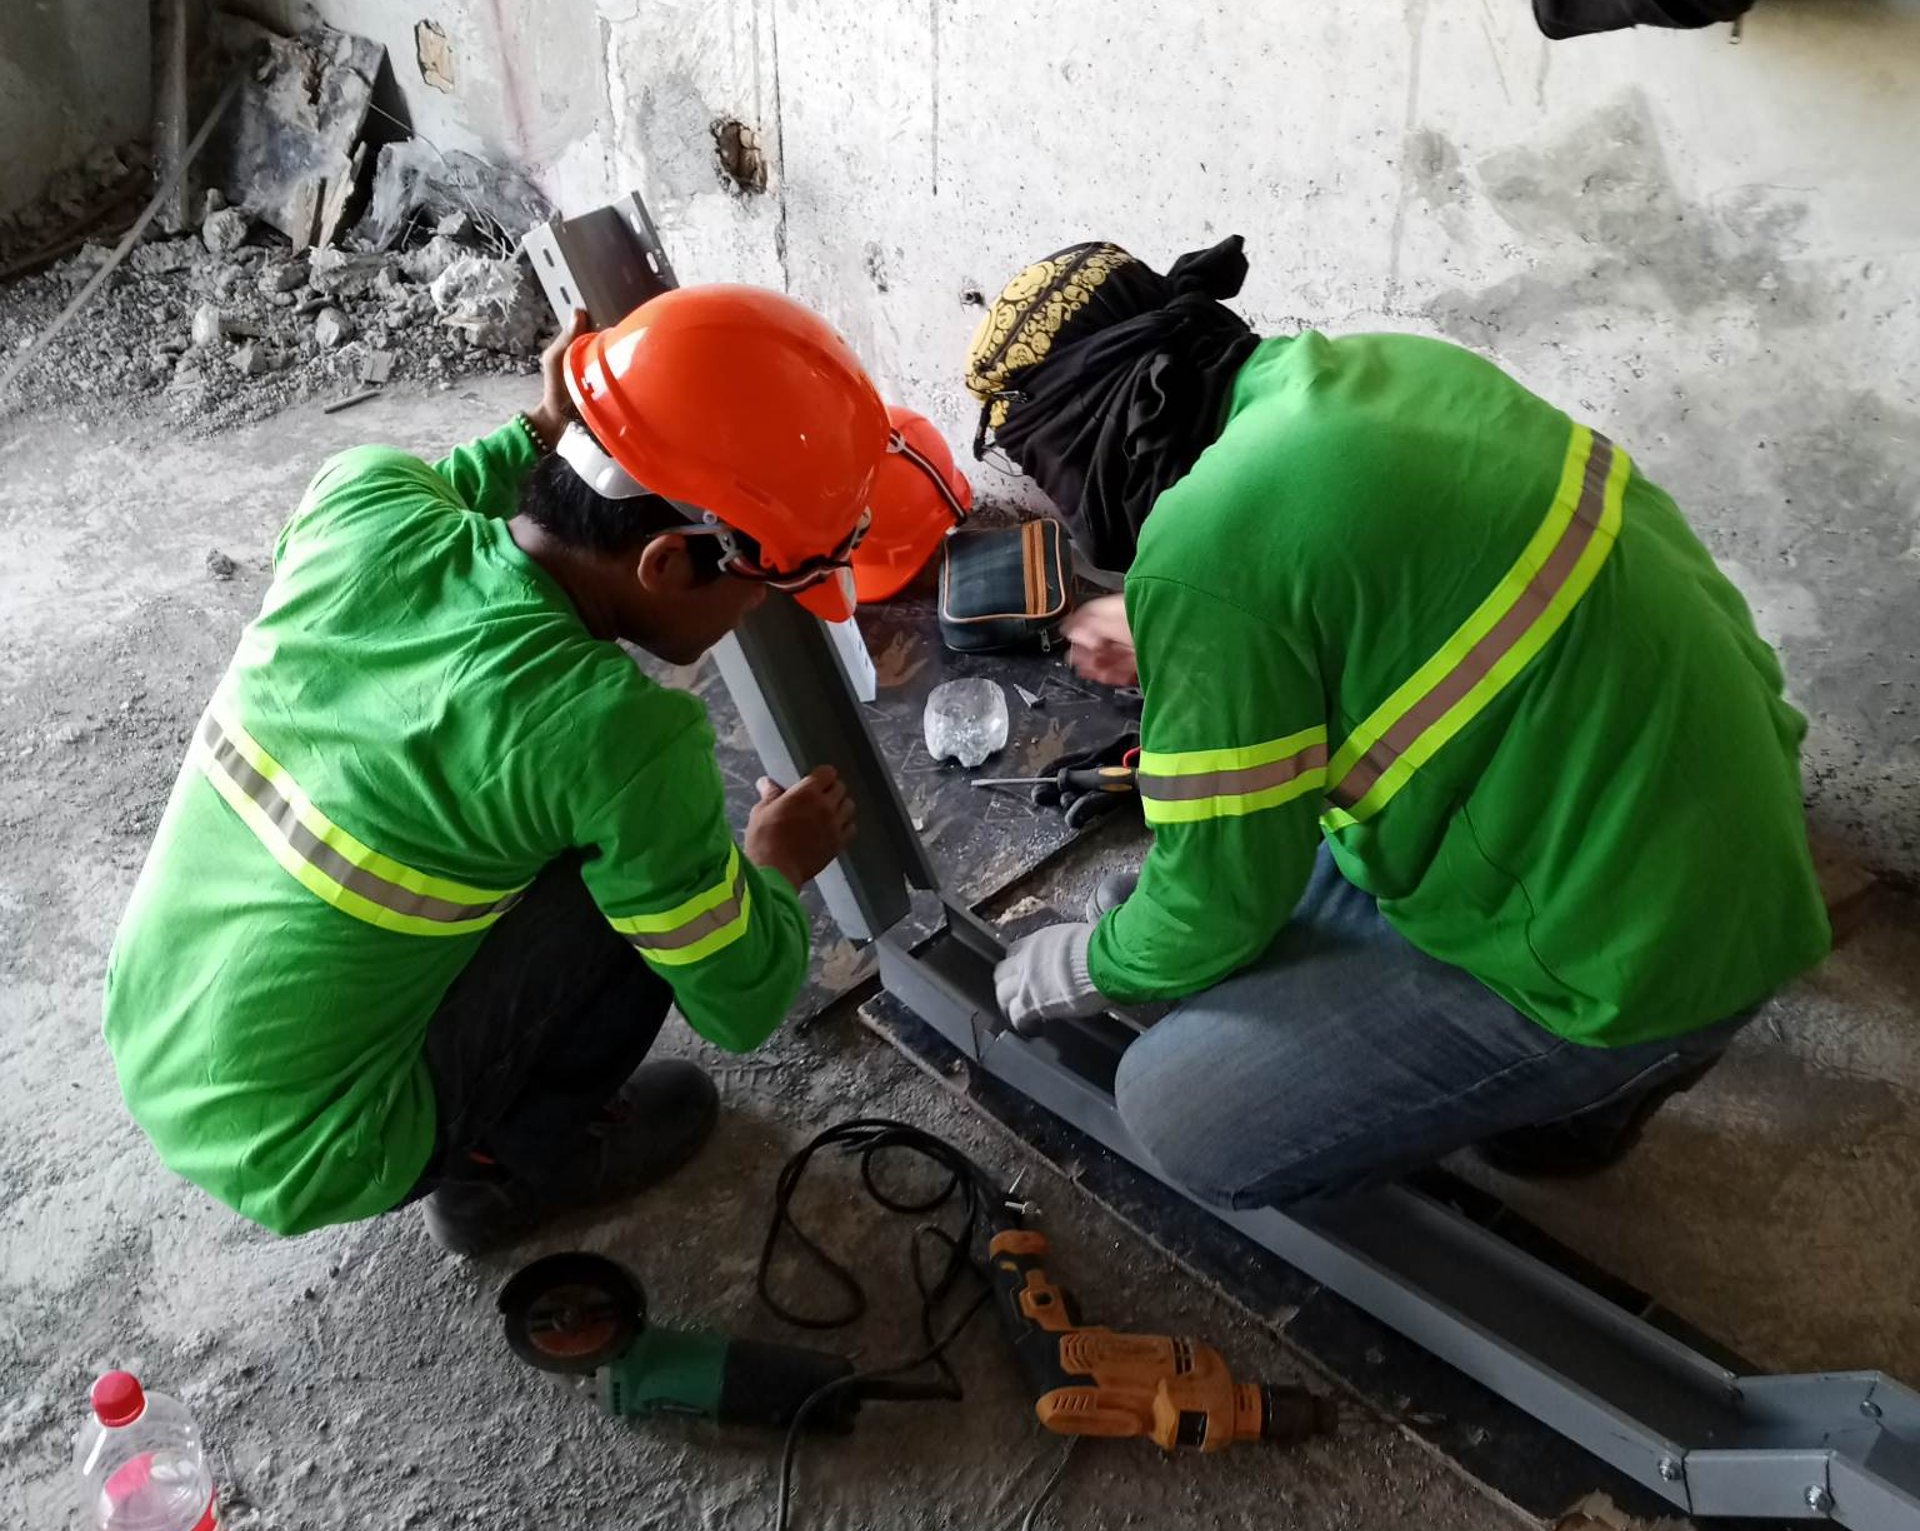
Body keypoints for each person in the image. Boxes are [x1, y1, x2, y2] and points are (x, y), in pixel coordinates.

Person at [970, 236, 1830, 1213]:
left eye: (1044, 458)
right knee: (1142, 902)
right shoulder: (1379, 371)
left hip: (1628, 959)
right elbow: (1371, 588)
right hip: (1707, 824)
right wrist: (1184, 627)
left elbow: (1211, 907)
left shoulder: (1209, 550)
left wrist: (1079, 967)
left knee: (1178, 1104)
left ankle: (1583, 1097)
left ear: (1102, 422)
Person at [104, 286, 888, 1256]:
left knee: (562, 830)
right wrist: (775, 866)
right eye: (761, 587)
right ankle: (504, 1173)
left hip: (155, 1019)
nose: (758, 610)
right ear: (666, 564)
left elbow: (471, 486)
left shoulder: (362, 499)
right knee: (647, 885)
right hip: (323, 1144)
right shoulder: (619, 736)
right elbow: (742, 1001)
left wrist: (543, 425)